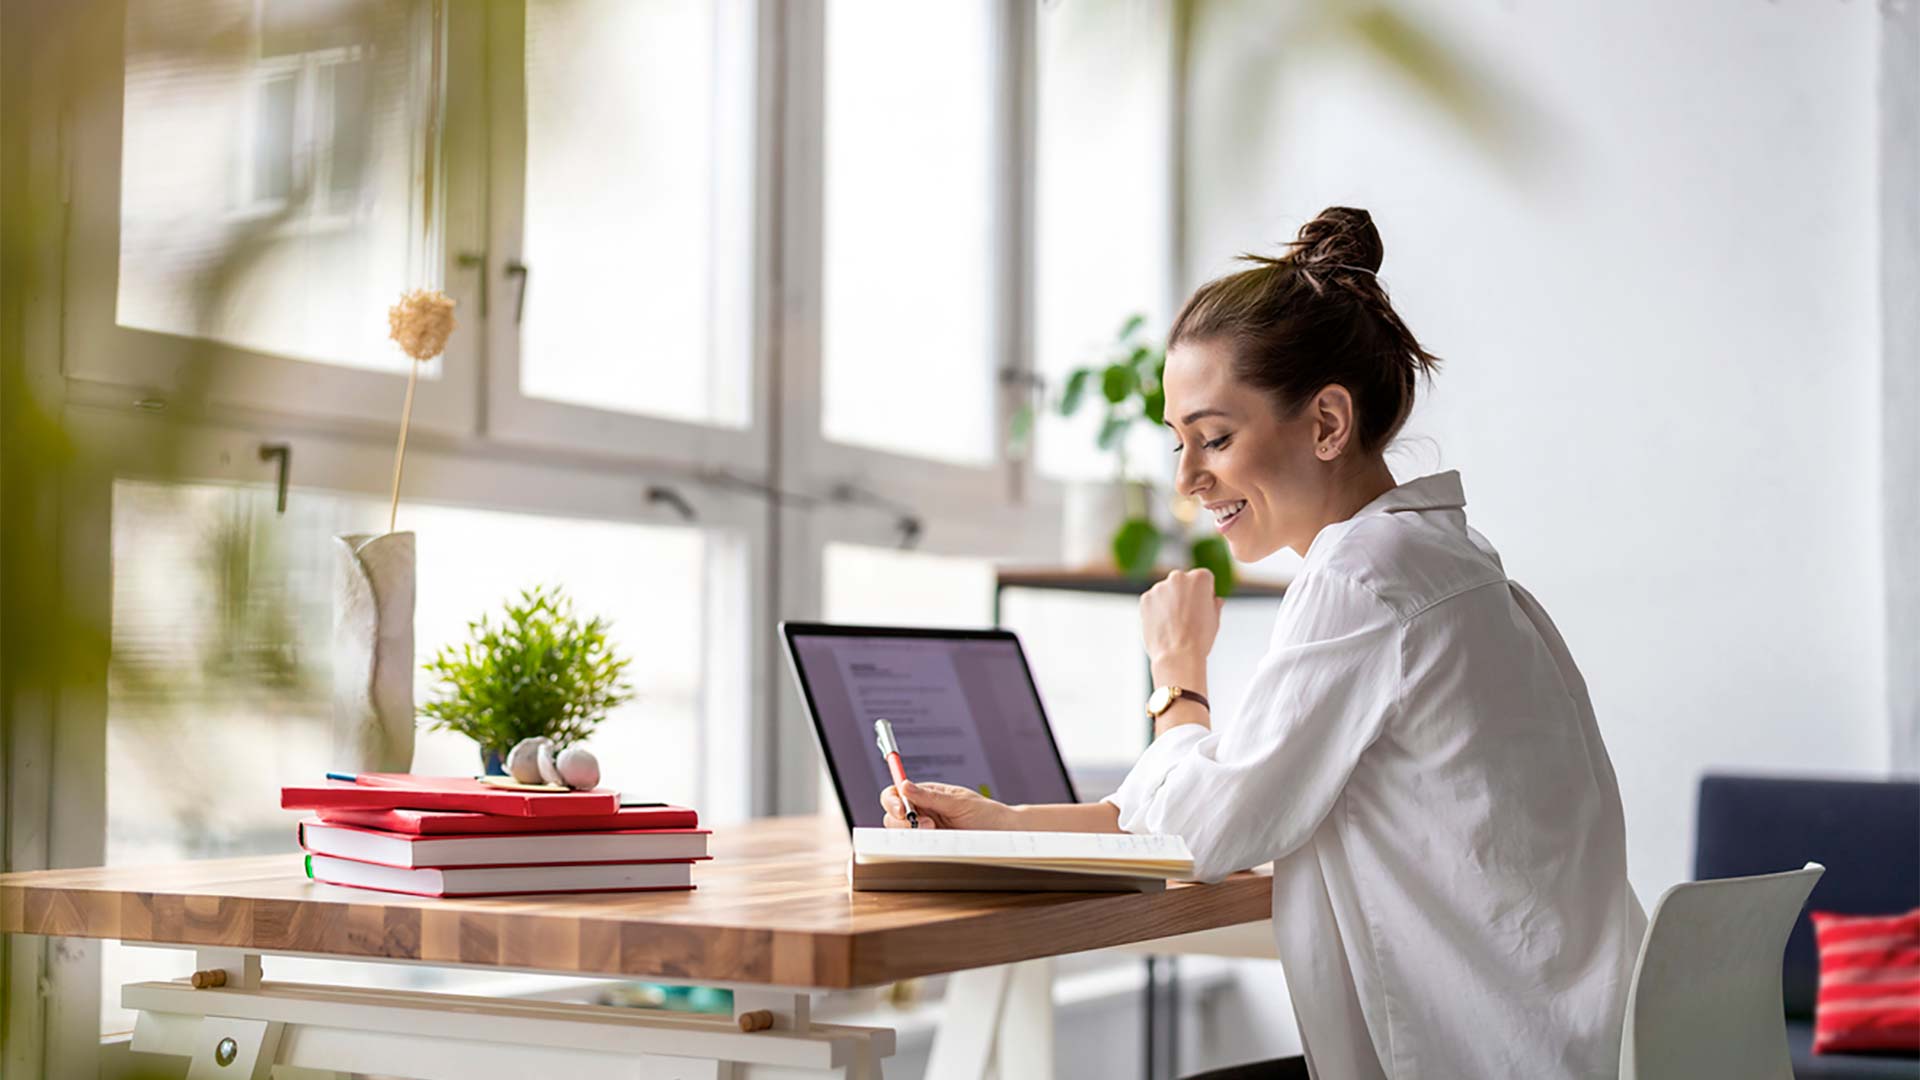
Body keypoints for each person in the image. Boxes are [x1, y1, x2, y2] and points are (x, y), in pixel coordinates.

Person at [880, 207, 1647, 1080]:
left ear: (1326, 424)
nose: (1186, 479)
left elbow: (1202, 832)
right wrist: (1008, 826)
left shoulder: (1361, 578)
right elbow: (1225, 797)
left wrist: (1177, 676)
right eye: (1177, 443)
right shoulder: (1446, 562)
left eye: (1214, 437)